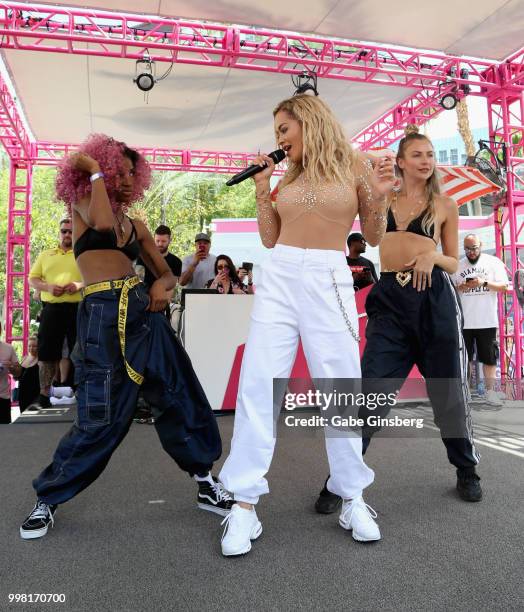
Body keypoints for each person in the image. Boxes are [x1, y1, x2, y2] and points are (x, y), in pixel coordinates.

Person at [20, 134, 232, 540]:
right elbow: (101, 222)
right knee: (100, 415)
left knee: (178, 394)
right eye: (121, 169)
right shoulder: (83, 206)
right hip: (99, 317)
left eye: (134, 172)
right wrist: (94, 170)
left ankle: (205, 481)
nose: (129, 179)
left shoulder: (136, 225)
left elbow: (165, 272)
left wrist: (161, 286)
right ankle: (48, 498)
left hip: (142, 314)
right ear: (102, 169)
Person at [218, 94, 395, 556]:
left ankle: (352, 497)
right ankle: (243, 504)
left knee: (340, 385)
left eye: (283, 129)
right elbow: (271, 236)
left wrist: (378, 197)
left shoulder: (356, 165)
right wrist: (263, 187)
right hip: (279, 276)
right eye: (276, 131)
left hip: (328, 278)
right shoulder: (288, 173)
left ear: (309, 122)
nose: (278, 138)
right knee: (259, 383)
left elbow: (373, 235)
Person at [315, 125, 482, 516]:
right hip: (389, 301)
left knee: (448, 393)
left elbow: (454, 260)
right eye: (418, 155)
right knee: (369, 395)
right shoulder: (382, 197)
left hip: (434, 300)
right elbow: (371, 239)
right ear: (402, 161)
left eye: (430, 155)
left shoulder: (446, 205)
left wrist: (431, 257)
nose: (427, 161)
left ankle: (466, 468)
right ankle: (342, 479)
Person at [28, 218, 83, 408]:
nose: (67, 234)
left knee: (81, 349)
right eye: (64, 231)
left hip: (77, 308)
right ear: (59, 233)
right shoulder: (46, 255)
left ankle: (82, 392)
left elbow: (93, 277)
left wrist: (78, 284)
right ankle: (44, 395)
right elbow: (32, 279)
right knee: (46, 352)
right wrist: (48, 287)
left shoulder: (83, 255)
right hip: (51, 309)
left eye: (70, 231)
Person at [454, 234, 508, 406]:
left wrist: (483, 283)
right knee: (465, 359)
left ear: (481, 245)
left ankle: (490, 392)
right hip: (464, 321)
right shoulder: (458, 265)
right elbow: (450, 291)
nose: (471, 252)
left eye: (474, 248)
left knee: (490, 358)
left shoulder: (493, 263)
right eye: (467, 249)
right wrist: (461, 287)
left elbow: (504, 286)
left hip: (487, 320)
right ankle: (466, 392)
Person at [12, 336, 40, 413]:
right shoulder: (24, 358)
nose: (31, 348)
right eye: (29, 346)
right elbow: (18, 376)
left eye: (34, 346)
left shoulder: (40, 360)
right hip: (22, 394)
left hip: (35, 394)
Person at [0, 321, 20, 424]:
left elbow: (18, 373)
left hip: (3, 398)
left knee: (4, 433)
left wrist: (11, 367)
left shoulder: (8, 348)